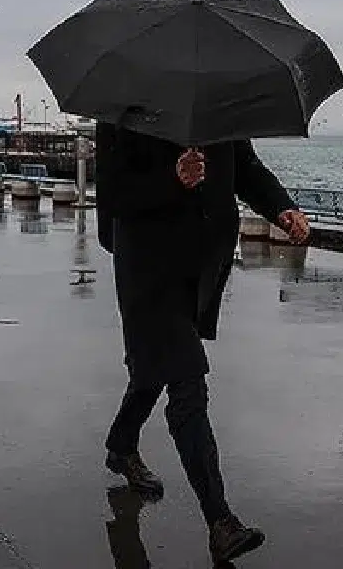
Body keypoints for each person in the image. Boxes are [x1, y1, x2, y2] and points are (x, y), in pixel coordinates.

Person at [94, 122, 311, 565]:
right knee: (187, 382)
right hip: (148, 271)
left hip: (199, 272)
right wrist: (172, 178)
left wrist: (281, 209)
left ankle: (121, 445)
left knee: (157, 366)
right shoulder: (123, 108)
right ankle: (220, 522)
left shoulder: (218, 102)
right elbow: (113, 195)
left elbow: (244, 167)